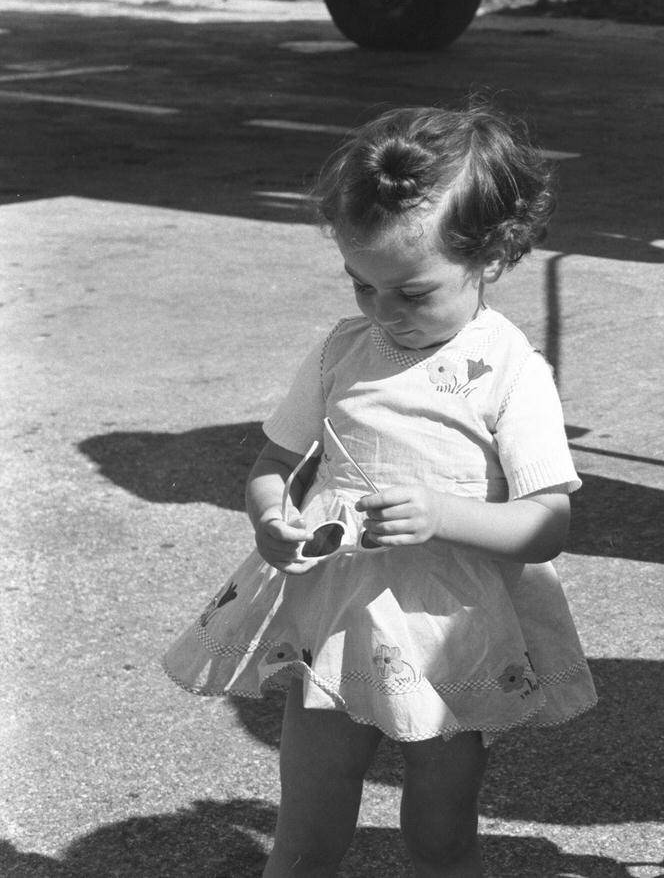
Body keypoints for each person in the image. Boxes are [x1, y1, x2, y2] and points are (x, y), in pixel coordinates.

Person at [163, 102, 596, 878]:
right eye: (362, 285)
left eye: (413, 292)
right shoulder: (343, 350)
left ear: (491, 256)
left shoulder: (511, 372)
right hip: (336, 621)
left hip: (450, 631)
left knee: (440, 836)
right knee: (305, 831)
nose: (384, 312)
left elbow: (547, 525)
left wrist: (444, 514)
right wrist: (271, 517)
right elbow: (272, 463)